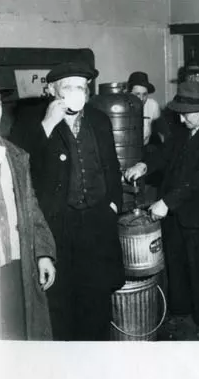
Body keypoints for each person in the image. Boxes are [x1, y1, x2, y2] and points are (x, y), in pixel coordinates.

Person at [9, 61, 125, 341]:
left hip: (97, 223)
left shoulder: (99, 119)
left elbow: (111, 167)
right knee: (60, 304)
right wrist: (48, 124)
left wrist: (112, 205)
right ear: (52, 90)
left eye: (81, 87)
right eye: (68, 87)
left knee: (96, 302)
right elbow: (18, 168)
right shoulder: (31, 120)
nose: (76, 93)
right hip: (57, 226)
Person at [125, 82, 199, 339]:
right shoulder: (184, 130)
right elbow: (164, 154)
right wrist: (143, 166)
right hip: (174, 213)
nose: (181, 119)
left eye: (186, 114)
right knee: (176, 263)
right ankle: (180, 312)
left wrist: (166, 202)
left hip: (198, 214)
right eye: (179, 114)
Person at [0, 88, 56, 340]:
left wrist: (43, 253)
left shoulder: (15, 155)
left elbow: (31, 206)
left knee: (19, 330)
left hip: (17, 263)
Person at [127, 71, 162, 147]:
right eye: (137, 94)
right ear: (129, 93)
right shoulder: (122, 108)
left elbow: (160, 131)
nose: (141, 99)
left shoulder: (152, 105)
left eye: (145, 94)